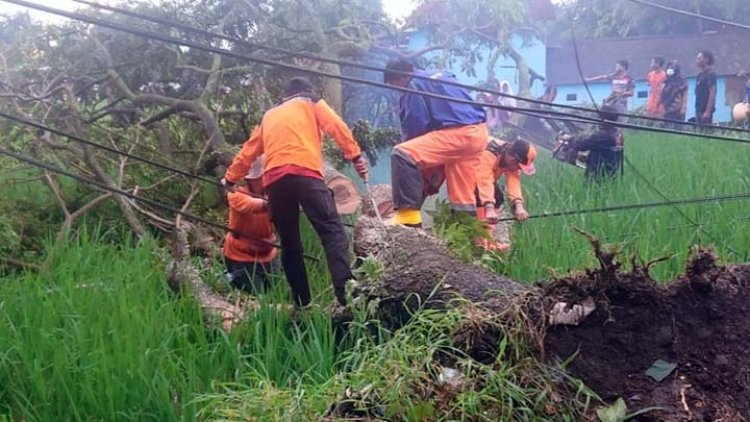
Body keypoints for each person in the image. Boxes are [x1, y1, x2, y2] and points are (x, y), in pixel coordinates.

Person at [222, 77, 369, 308]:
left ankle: (302, 303)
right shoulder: (311, 102)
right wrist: (355, 156)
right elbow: (336, 126)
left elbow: (248, 151)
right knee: (332, 233)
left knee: (290, 243)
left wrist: (230, 177)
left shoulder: (269, 116)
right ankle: (346, 296)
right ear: (305, 91)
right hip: (306, 174)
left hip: (275, 182)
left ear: (284, 97)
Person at [384, 58, 487, 227]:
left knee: (402, 154)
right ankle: (470, 238)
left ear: (400, 78)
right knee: (462, 197)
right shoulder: (442, 75)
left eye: (394, 86)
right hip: (478, 134)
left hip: (457, 134)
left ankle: (407, 215)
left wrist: (421, 163)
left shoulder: (414, 85)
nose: (397, 91)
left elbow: (416, 124)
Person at [222, 156, 278, 294]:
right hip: (241, 257)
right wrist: (274, 203)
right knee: (255, 298)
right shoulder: (235, 194)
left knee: (274, 293)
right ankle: (231, 280)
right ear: (250, 179)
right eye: (263, 175)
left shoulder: (272, 191)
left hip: (268, 254)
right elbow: (252, 205)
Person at [474, 138, 536, 251]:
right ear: (513, 160)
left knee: (497, 196)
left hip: (481, 180)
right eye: (519, 166)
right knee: (479, 196)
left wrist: (519, 207)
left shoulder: (510, 156)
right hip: (468, 176)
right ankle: (480, 244)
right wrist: (489, 207)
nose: (518, 169)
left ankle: (487, 240)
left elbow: (514, 181)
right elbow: (484, 180)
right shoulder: (490, 151)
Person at [565, 105, 624, 180]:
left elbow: (580, 145)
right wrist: (588, 158)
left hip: (598, 177)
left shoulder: (601, 136)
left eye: (600, 118)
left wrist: (569, 138)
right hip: (612, 174)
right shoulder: (618, 134)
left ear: (604, 119)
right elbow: (606, 153)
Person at [661, 60, 688, 126]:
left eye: (672, 68)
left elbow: (684, 95)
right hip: (667, 109)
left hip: (677, 109)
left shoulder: (681, 80)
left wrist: (683, 109)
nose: (670, 69)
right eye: (669, 68)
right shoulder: (666, 81)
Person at [695, 50, 717, 125]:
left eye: (699, 58)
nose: (697, 61)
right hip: (698, 108)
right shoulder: (700, 75)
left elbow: (712, 93)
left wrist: (707, 111)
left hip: (705, 110)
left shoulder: (710, 74)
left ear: (706, 59)